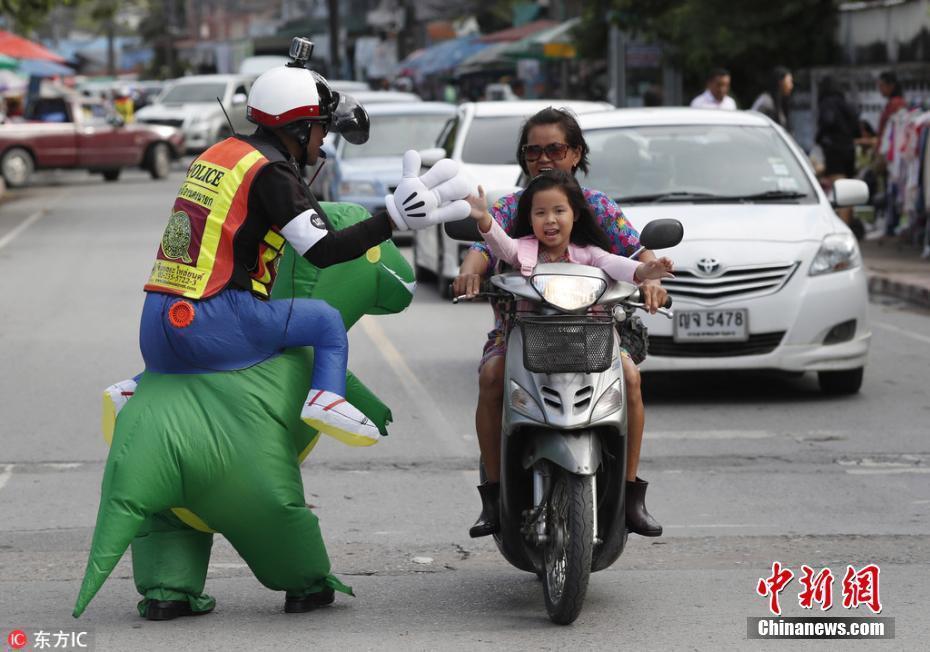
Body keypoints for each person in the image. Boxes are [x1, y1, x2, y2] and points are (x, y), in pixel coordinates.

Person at [104, 57, 473, 451]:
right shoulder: (273, 172)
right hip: (211, 321)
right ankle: (325, 400)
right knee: (325, 322)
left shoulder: (221, 154)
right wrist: (393, 219)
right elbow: (323, 251)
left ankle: (137, 389)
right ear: (297, 127)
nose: (325, 139)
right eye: (321, 128)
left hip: (157, 324)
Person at [454, 107, 669, 539]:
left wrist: (651, 277)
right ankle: (494, 495)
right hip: (520, 330)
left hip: (593, 332)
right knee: (492, 376)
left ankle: (630, 495)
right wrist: (470, 268)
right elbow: (489, 245)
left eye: (554, 148)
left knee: (630, 378)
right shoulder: (512, 206)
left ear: (575, 153)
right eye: (533, 150)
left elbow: (629, 256)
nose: (543, 158)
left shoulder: (597, 207)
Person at [468, 170, 673, 285]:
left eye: (559, 211)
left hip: (589, 337)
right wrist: (484, 217)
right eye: (540, 213)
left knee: (626, 364)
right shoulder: (522, 250)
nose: (550, 219)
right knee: (493, 364)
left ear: (574, 214)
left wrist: (646, 270)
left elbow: (615, 264)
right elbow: (501, 244)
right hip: (529, 338)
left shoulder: (590, 254)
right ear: (530, 219)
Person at [815, 76, 860, 231]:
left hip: (834, 151)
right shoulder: (846, 104)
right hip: (849, 150)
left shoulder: (827, 103)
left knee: (840, 191)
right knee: (848, 192)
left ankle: (843, 228)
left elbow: (827, 122)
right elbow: (856, 128)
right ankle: (849, 225)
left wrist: (819, 137)